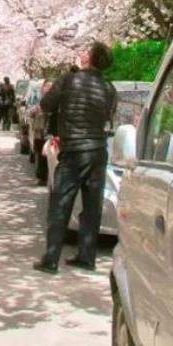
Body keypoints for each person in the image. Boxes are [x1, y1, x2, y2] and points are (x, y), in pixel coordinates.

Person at [33, 42, 117, 274]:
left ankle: (51, 259)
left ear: (89, 58)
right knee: (92, 207)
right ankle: (86, 256)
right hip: (98, 151)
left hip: (73, 151)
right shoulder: (109, 87)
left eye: (85, 50)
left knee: (60, 204)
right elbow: (109, 114)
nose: (81, 52)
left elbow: (46, 104)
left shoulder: (68, 80)